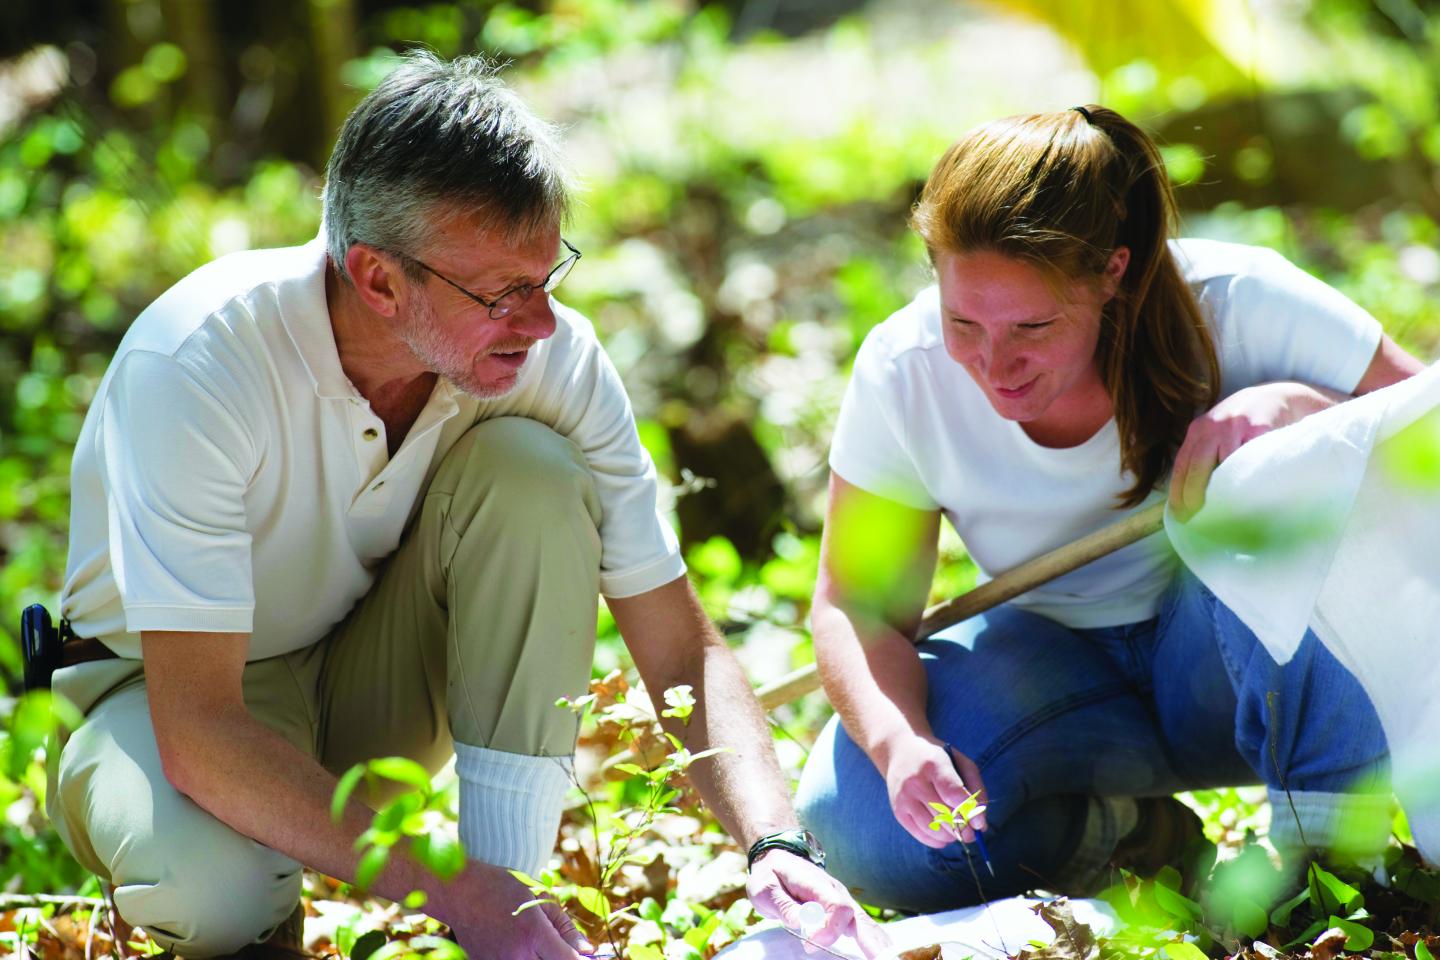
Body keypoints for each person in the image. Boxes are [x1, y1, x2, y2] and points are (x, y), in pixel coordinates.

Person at [47, 52, 887, 959]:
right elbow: (202, 732)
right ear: (377, 280)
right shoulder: (199, 364)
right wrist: (443, 885)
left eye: (547, 276)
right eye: (502, 294)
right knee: (211, 890)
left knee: (532, 471)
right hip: (164, 696)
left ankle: (511, 917)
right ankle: (323, 909)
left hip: (368, 669)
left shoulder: (549, 359)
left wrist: (774, 841)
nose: (540, 323)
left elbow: (679, 644)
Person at [794, 104, 1426, 912]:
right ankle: (1132, 838)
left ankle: (1333, 870)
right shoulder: (903, 373)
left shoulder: (1242, 300)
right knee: (862, 827)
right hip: (1064, 675)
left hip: (1241, 666)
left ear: (1112, 272)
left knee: (1286, 468)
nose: (995, 364)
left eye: (1033, 324)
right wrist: (901, 743)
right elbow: (857, 604)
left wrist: (1307, 410)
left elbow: (1426, 439)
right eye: (962, 321)